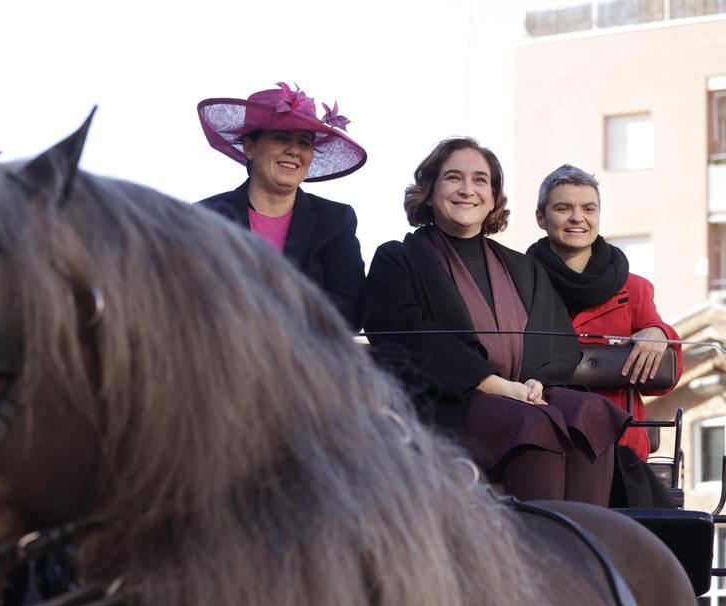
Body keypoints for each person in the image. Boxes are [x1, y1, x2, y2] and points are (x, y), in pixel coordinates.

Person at [362, 138, 628, 505]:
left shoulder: (523, 267)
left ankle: (587, 548)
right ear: (430, 189)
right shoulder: (399, 259)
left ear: (493, 196)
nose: (467, 190)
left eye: (480, 180)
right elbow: (406, 338)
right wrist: (495, 385)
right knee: (532, 422)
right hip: (447, 407)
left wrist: (536, 382)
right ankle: (536, 554)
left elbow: (560, 340)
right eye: (454, 178)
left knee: (590, 413)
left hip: (527, 393)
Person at [526, 164, 683, 507]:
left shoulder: (634, 289)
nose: (576, 218)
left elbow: (663, 380)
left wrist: (660, 333)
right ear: (541, 217)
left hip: (621, 449)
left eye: (588, 208)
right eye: (563, 208)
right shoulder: (518, 282)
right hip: (541, 443)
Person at [197, 82, 367, 329]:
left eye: (304, 143)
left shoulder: (336, 220)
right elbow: (186, 298)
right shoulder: (205, 217)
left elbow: (351, 309)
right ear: (249, 147)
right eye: (281, 137)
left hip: (305, 363)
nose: (294, 151)